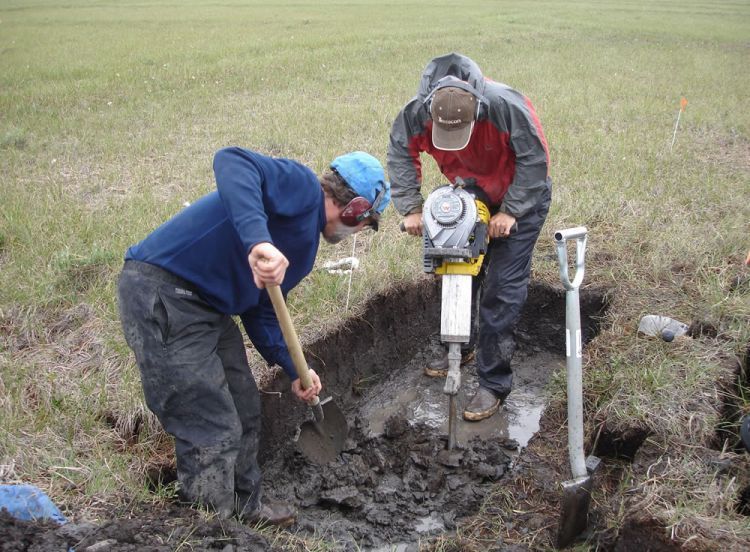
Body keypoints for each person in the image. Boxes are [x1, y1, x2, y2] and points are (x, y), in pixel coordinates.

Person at [117, 147, 390, 525]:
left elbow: (262, 310)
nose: (360, 231)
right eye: (367, 223)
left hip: (208, 307)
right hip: (162, 294)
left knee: (245, 407)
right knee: (210, 425)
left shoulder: (305, 246)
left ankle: (247, 507)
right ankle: (211, 529)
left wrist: (297, 367)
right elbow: (233, 161)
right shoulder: (300, 188)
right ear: (356, 209)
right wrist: (258, 241)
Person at [387, 52, 552, 422]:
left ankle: (493, 383)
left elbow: (535, 161)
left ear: (477, 107)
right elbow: (400, 152)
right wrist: (411, 208)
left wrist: (509, 211)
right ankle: (458, 349)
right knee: (455, 270)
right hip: (469, 193)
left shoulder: (507, 106)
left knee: (500, 290)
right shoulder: (416, 113)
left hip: (521, 196)